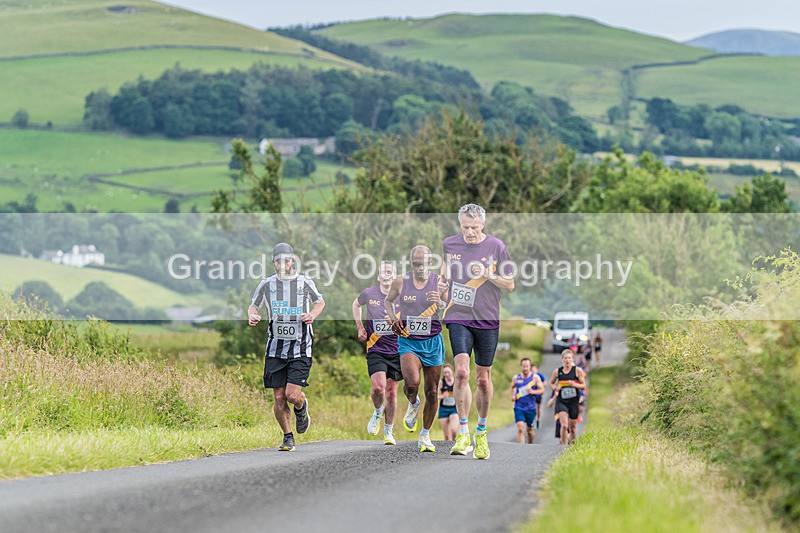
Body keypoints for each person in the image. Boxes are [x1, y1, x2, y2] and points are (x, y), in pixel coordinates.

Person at [443, 203, 515, 460]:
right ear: (459, 224)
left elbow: (510, 284)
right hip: (458, 316)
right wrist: (441, 288)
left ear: (483, 225)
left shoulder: (496, 246)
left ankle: (481, 432)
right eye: (465, 227)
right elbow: (446, 276)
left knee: (483, 378)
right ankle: (463, 431)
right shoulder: (450, 245)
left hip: (487, 318)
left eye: (474, 227)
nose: (470, 232)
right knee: (461, 372)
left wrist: (487, 274)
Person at [248, 243, 325, 452]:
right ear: (273, 262)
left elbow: (320, 302)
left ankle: (301, 407)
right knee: (279, 396)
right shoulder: (266, 284)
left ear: (293, 261)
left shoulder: (304, 282)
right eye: (278, 261)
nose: (283, 264)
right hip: (274, 348)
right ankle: (287, 436)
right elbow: (254, 305)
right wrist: (252, 314)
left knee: (292, 395)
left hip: (300, 347)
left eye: (287, 260)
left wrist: (312, 315)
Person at [385, 245, 448, 453]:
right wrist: (393, 319)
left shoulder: (439, 282)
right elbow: (388, 301)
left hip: (432, 341)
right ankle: (412, 401)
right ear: (411, 263)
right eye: (416, 263)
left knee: (432, 392)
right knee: (412, 384)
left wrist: (440, 301)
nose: (420, 267)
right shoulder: (401, 281)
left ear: (431, 262)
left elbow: (449, 308)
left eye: (423, 263)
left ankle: (425, 436)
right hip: (409, 340)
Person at [353, 261, 401, 445]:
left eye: (390, 272)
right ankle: (377, 411)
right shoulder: (369, 293)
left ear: (394, 276)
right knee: (378, 388)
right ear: (379, 276)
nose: (387, 275)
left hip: (397, 349)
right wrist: (359, 327)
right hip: (376, 348)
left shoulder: (401, 295)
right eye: (384, 272)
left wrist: (397, 321)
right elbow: (355, 305)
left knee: (391, 392)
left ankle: (388, 431)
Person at [549, 349, 587, 445]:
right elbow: (551, 383)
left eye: (569, 358)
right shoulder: (557, 371)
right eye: (565, 358)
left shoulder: (578, 371)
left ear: (572, 359)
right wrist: (555, 388)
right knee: (564, 425)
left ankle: (572, 447)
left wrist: (574, 384)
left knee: (572, 428)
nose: (567, 360)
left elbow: (583, 386)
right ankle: (562, 447)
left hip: (574, 402)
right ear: (562, 359)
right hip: (561, 401)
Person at [510, 358, 544, 444]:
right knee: (520, 428)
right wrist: (513, 396)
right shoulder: (516, 377)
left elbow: (542, 390)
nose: (525, 368)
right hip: (519, 406)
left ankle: (530, 445)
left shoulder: (535, 377)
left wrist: (533, 391)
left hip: (531, 407)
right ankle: (520, 449)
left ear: (530, 366)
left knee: (529, 430)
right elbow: (512, 387)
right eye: (524, 366)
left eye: (527, 366)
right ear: (521, 366)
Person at [438, 364, 459, 441]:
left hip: (454, 409)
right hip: (443, 409)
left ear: (452, 372)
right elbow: (433, 396)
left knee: (454, 430)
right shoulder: (441, 382)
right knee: (447, 435)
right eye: (445, 373)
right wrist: (442, 396)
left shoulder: (457, 382)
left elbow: (463, 394)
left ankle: (455, 444)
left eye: (448, 372)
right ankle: (447, 451)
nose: (447, 374)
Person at [531, 364, 547, 429]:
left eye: (535, 369)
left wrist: (539, 385)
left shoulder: (539, 375)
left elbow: (545, 383)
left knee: (538, 408)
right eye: (532, 369)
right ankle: (533, 420)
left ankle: (538, 419)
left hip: (538, 395)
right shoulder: (530, 376)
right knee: (533, 407)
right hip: (532, 395)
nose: (533, 370)